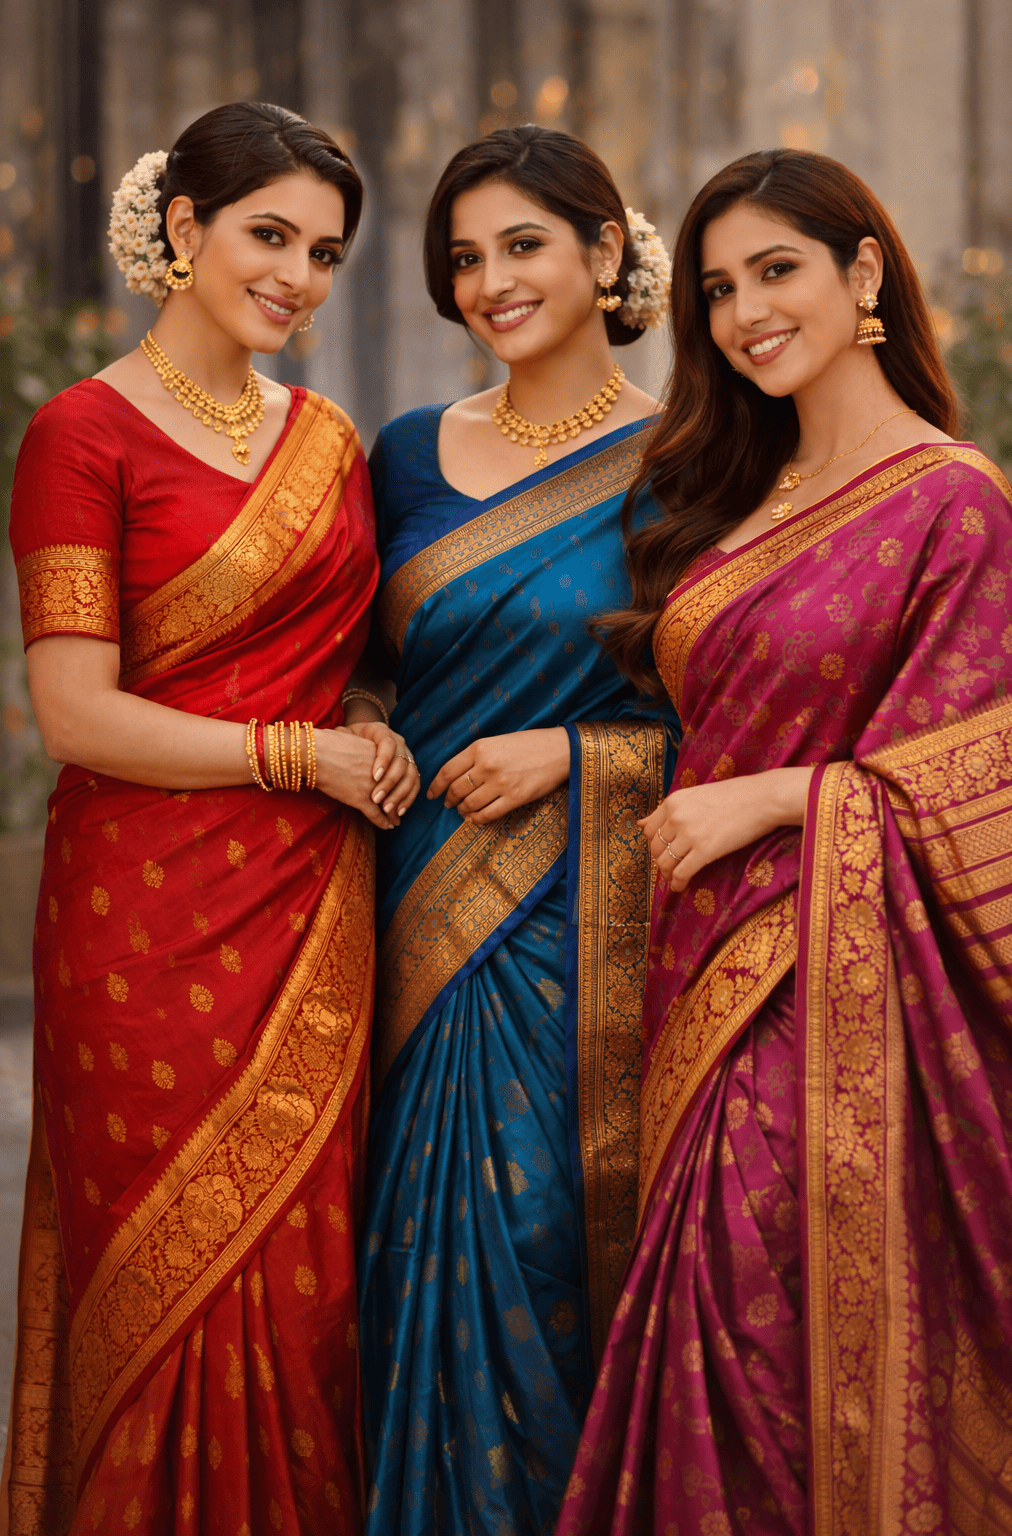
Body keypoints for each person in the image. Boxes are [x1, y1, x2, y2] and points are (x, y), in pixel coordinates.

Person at [555, 147, 1012, 1536]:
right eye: (718, 288)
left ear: (862, 273)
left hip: (844, 1002)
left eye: (779, 271)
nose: (748, 311)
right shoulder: (735, 499)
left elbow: (996, 769)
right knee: (729, 1344)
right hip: (699, 978)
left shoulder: (954, 500)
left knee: (759, 1320)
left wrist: (784, 800)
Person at [5, 101, 417, 1535]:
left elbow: (357, 652)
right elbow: (77, 714)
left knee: (304, 1296)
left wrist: (362, 725)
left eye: (325, 251)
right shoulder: (78, 436)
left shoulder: (333, 440)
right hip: (143, 926)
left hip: (308, 914)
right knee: (163, 1277)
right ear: (183, 231)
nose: (298, 276)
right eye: (269, 235)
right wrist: (301, 756)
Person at [356, 125, 676, 1536]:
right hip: (411, 913)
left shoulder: (697, 458)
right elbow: (363, 659)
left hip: (583, 931)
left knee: (546, 1234)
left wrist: (574, 751)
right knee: (406, 1255)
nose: (491, 282)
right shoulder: (408, 454)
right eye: (465, 258)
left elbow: (744, 709)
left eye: (524, 245)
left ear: (606, 253)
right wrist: (360, 720)